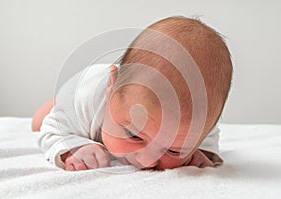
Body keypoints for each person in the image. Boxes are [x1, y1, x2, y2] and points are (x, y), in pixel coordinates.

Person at [33, 16, 232, 171]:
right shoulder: (86, 97)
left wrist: (201, 152)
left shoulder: (199, 123)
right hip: (76, 96)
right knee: (40, 120)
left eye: (174, 150)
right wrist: (73, 149)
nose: (147, 160)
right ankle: (52, 104)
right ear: (113, 87)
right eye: (134, 135)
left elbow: (208, 143)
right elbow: (54, 131)